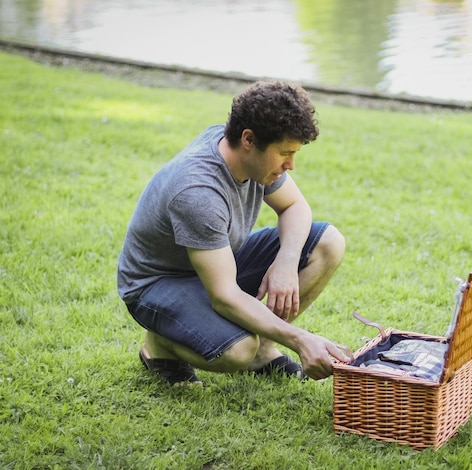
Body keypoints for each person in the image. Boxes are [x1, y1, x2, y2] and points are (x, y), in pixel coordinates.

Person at [117, 80, 351, 386]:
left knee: (328, 243)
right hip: (157, 284)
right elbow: (224, 296)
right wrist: (301, 339)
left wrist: (286, 262)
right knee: (238, 349)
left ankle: (264, 352)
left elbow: (295, 206)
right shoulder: (198, 192)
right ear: (249, 139)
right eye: (284, 153)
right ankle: (159, 346)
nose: (291, 165)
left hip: (215, 260)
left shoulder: (248, 156)